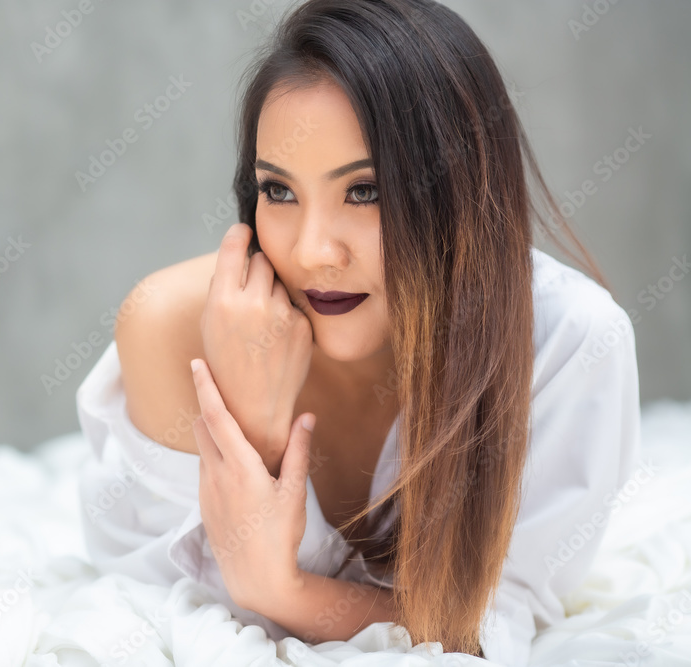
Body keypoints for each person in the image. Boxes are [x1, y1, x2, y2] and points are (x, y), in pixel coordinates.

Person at [76, 0, 642, 663]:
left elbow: (490, 626)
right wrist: (256, 436)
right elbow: (175, 612)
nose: (313, 251)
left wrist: (282, 589)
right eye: (279, 191)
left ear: (460, 188)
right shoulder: (172, 328)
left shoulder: (569, 343)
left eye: (365, 191)